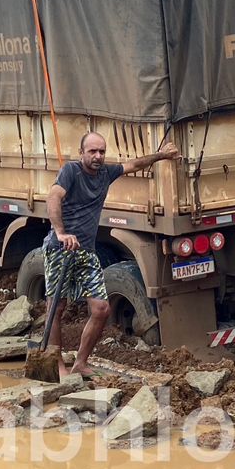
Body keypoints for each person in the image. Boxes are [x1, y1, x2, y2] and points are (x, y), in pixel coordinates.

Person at [46, 131, 180, 378]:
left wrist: (162, 155)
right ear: (81, 153)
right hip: (60, 249)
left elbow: (135, 164)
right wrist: (61, 232)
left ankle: (80, 362)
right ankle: (57, 366)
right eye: (92, 151)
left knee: (101, 309)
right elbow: (53, 197)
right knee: (57, 307)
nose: (97, 156)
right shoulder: (71, 172)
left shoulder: (106, 173)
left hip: (86, 252)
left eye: (101, 151)